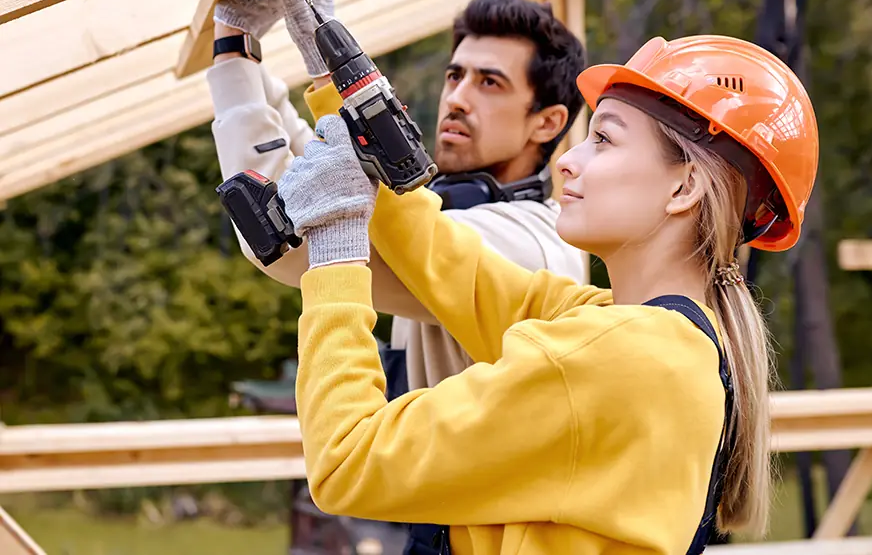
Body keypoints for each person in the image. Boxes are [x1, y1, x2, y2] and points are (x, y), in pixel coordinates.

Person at [276, 32, 819, 553]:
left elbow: (347, 461)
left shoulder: (617, 359)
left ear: (684, 187)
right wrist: (339, 93)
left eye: (603, 138)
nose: (567, 160)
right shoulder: (651, 336)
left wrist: (337, 243)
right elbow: (452, 267)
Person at [206, 0, 588, 396]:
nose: (458, 98)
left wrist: (258, 52)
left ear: (548, 123)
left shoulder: (532, 250)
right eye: (455, 75)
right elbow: (321, 170)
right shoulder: (450, 217)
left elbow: (294, 238)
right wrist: (240, 47)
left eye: (490, 83)